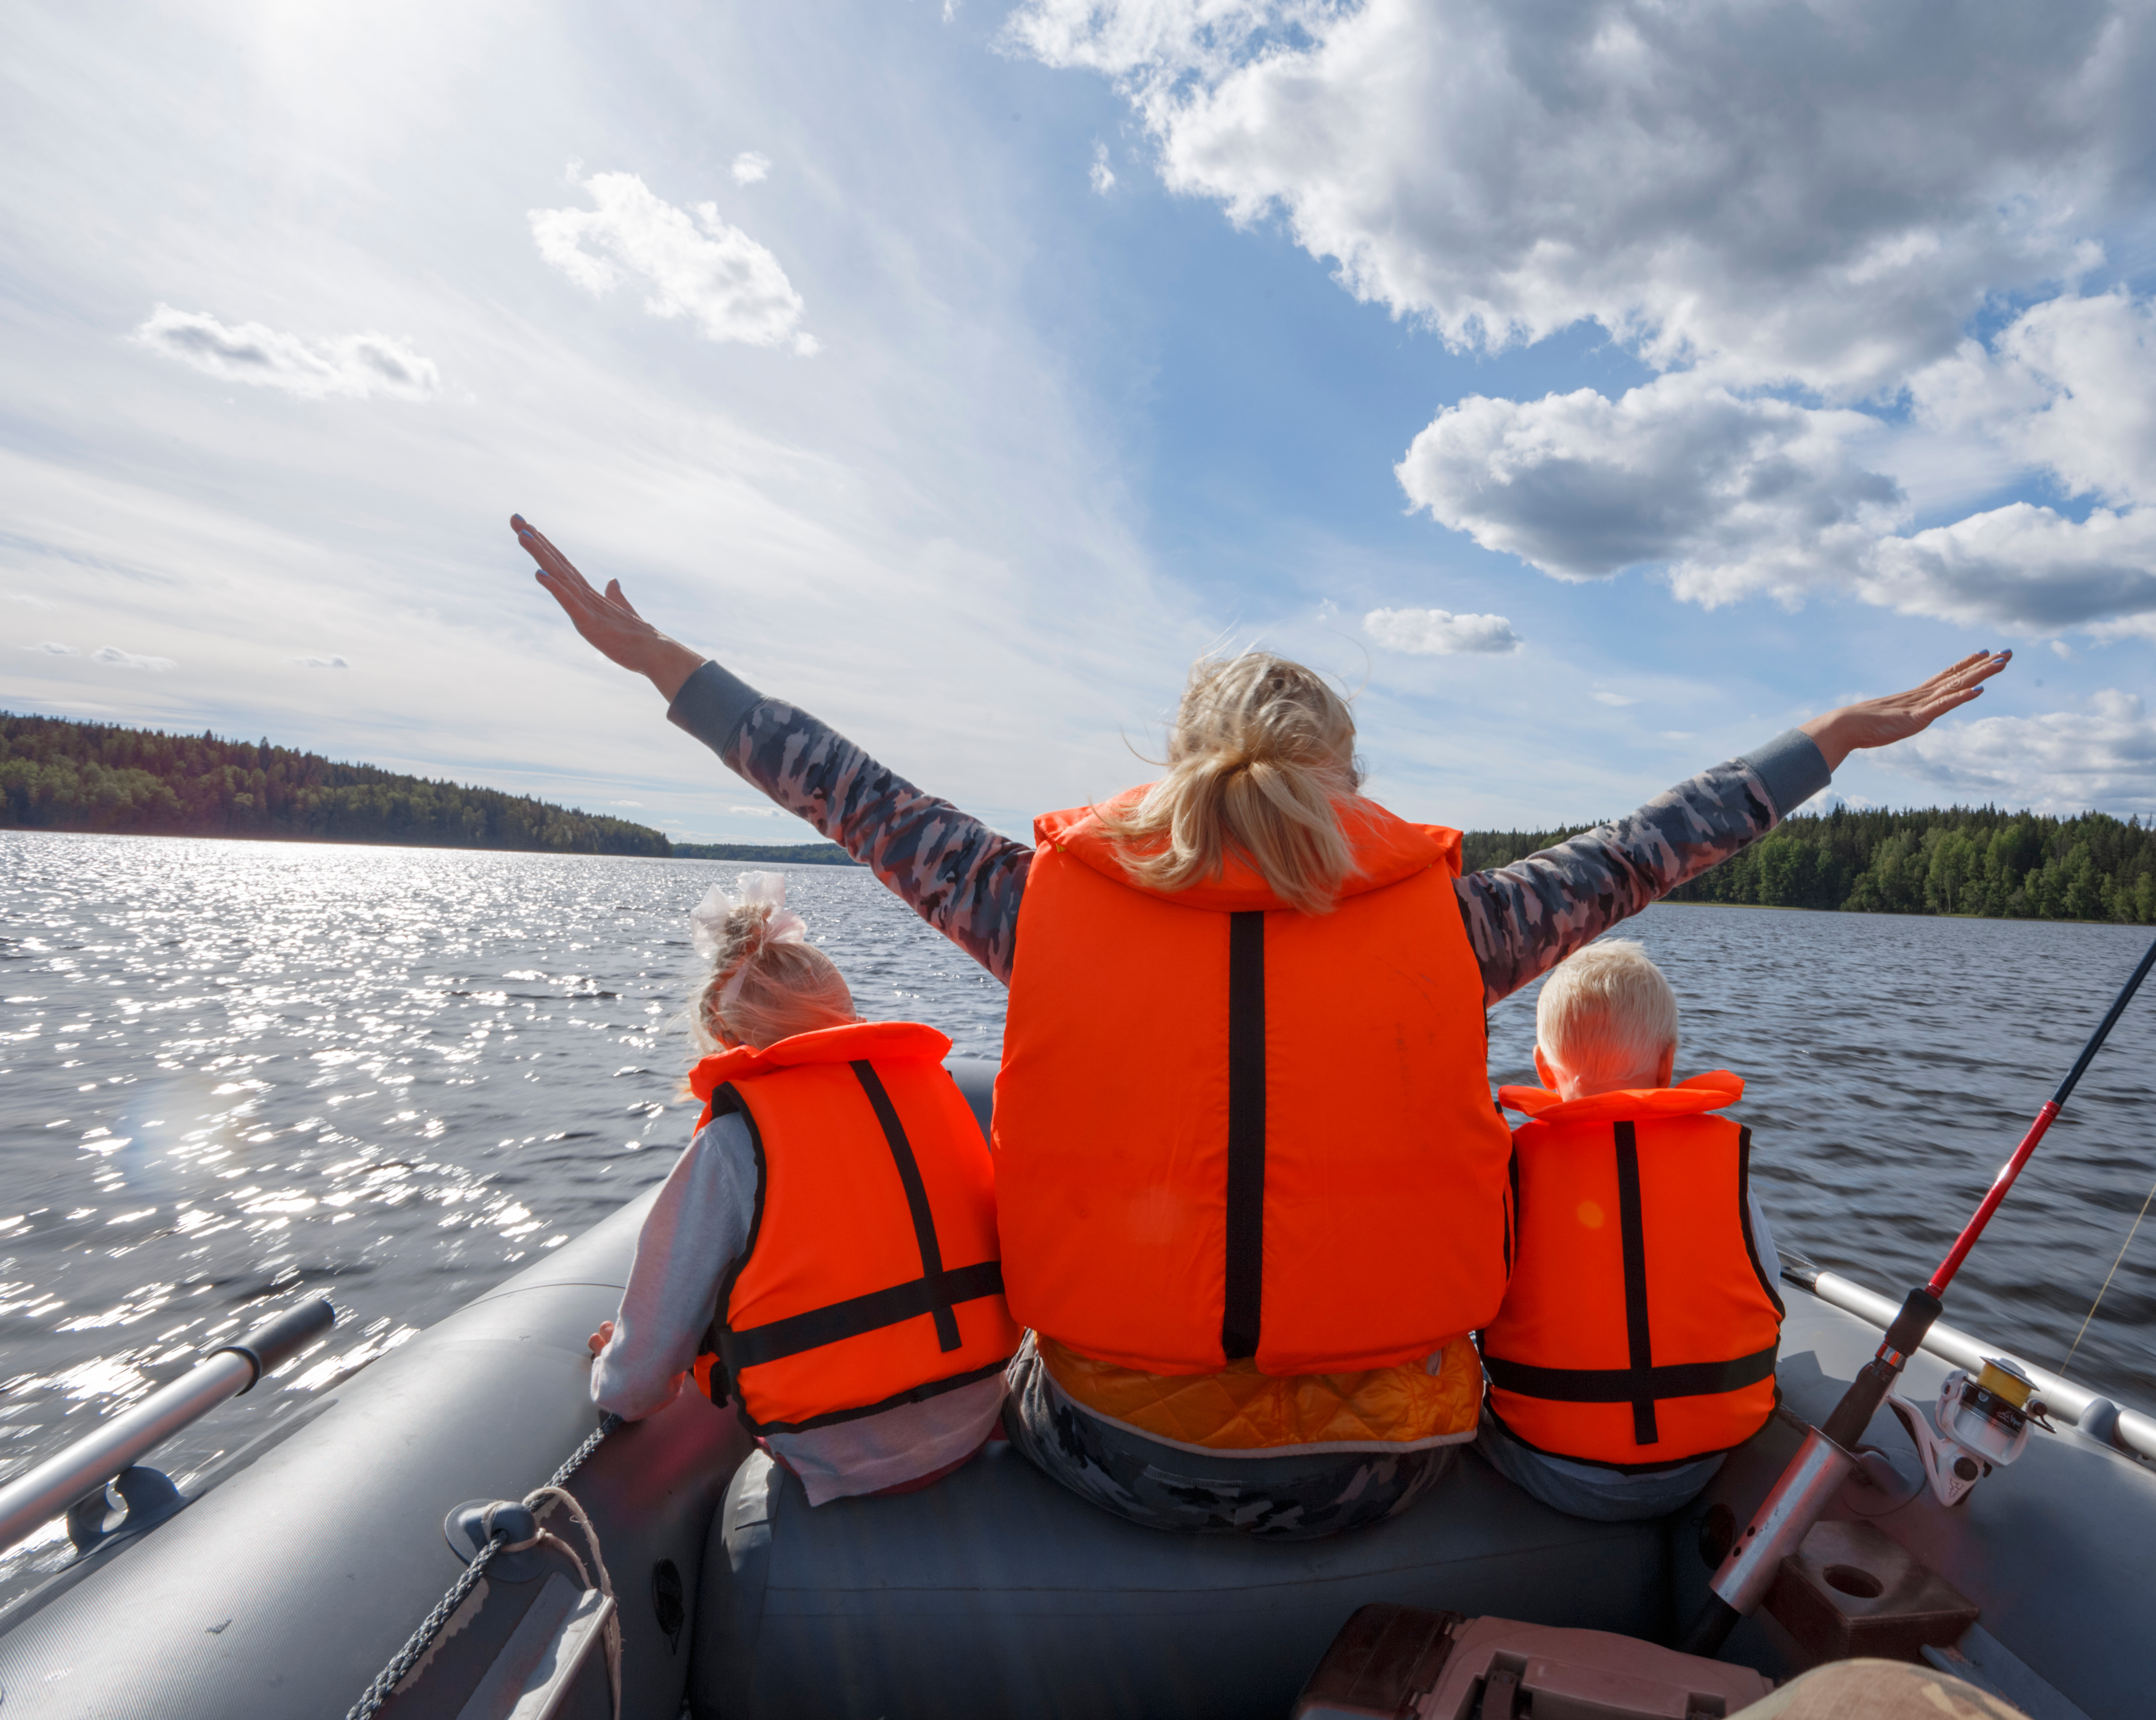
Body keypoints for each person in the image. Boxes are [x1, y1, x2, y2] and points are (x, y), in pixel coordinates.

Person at [516, 513, 2007, 1537]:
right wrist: (1830, 739)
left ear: (1179, 766)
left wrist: (660, 663)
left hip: (1123, 1458)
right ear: (1347, 780)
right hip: (1397, 1467)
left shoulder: (1036, 906)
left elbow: (836, 784)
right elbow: (1658, 840)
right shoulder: (1463, 924)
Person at [586, 871, 1017, 1504]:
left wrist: (610, 1365)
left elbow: (637, 1388)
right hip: (976, 1419)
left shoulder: (733, 1147)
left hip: (833, 1454)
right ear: (847, 1017)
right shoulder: (937, 1096)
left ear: (725, 1033)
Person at [1477, 939, 1783, 1520]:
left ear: (1543, 1069)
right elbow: (1768, 1290)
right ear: (1668, 1064)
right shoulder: (1726, 1167)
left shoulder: (1510, 1170)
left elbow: (1471, 1305)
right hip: (1702, 1463)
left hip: (1548, 1461)